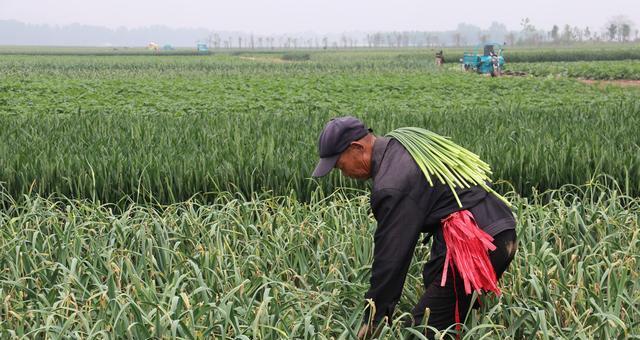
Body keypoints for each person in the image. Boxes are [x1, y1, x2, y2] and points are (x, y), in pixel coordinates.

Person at [312, 116, 518, 338]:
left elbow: (391, 257)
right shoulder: (401, 142)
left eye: (340, 165)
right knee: (441, 300)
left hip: (478, 242)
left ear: (357, 148)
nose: (344, 174)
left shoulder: (391, 185)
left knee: (425, 326)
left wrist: (374, 315)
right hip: (498, 226)